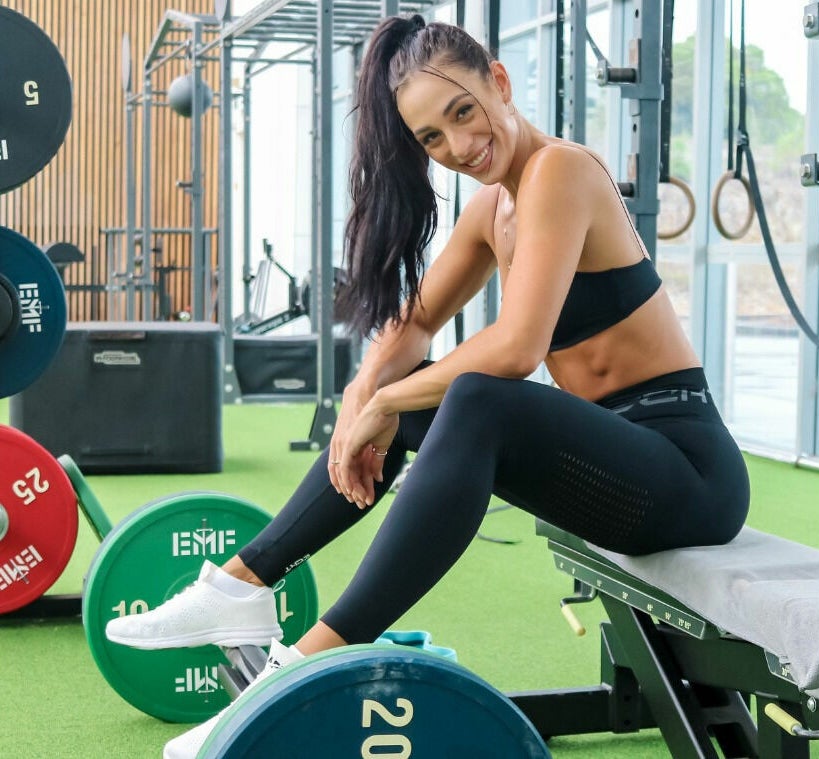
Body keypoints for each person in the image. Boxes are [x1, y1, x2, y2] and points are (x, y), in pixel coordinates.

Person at [105, 13, 750, 758]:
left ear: (499, 83)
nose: (460, 148)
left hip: (686, 470)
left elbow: (515, 348)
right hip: (614, 469)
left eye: (463, 113)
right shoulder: (492, 208)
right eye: (433, 140)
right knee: (420, 385)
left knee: (472, 395)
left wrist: (385, 400)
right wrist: (359, 399)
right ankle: (243, 586)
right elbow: (408, 328)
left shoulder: (562, 170)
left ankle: (300, 667)